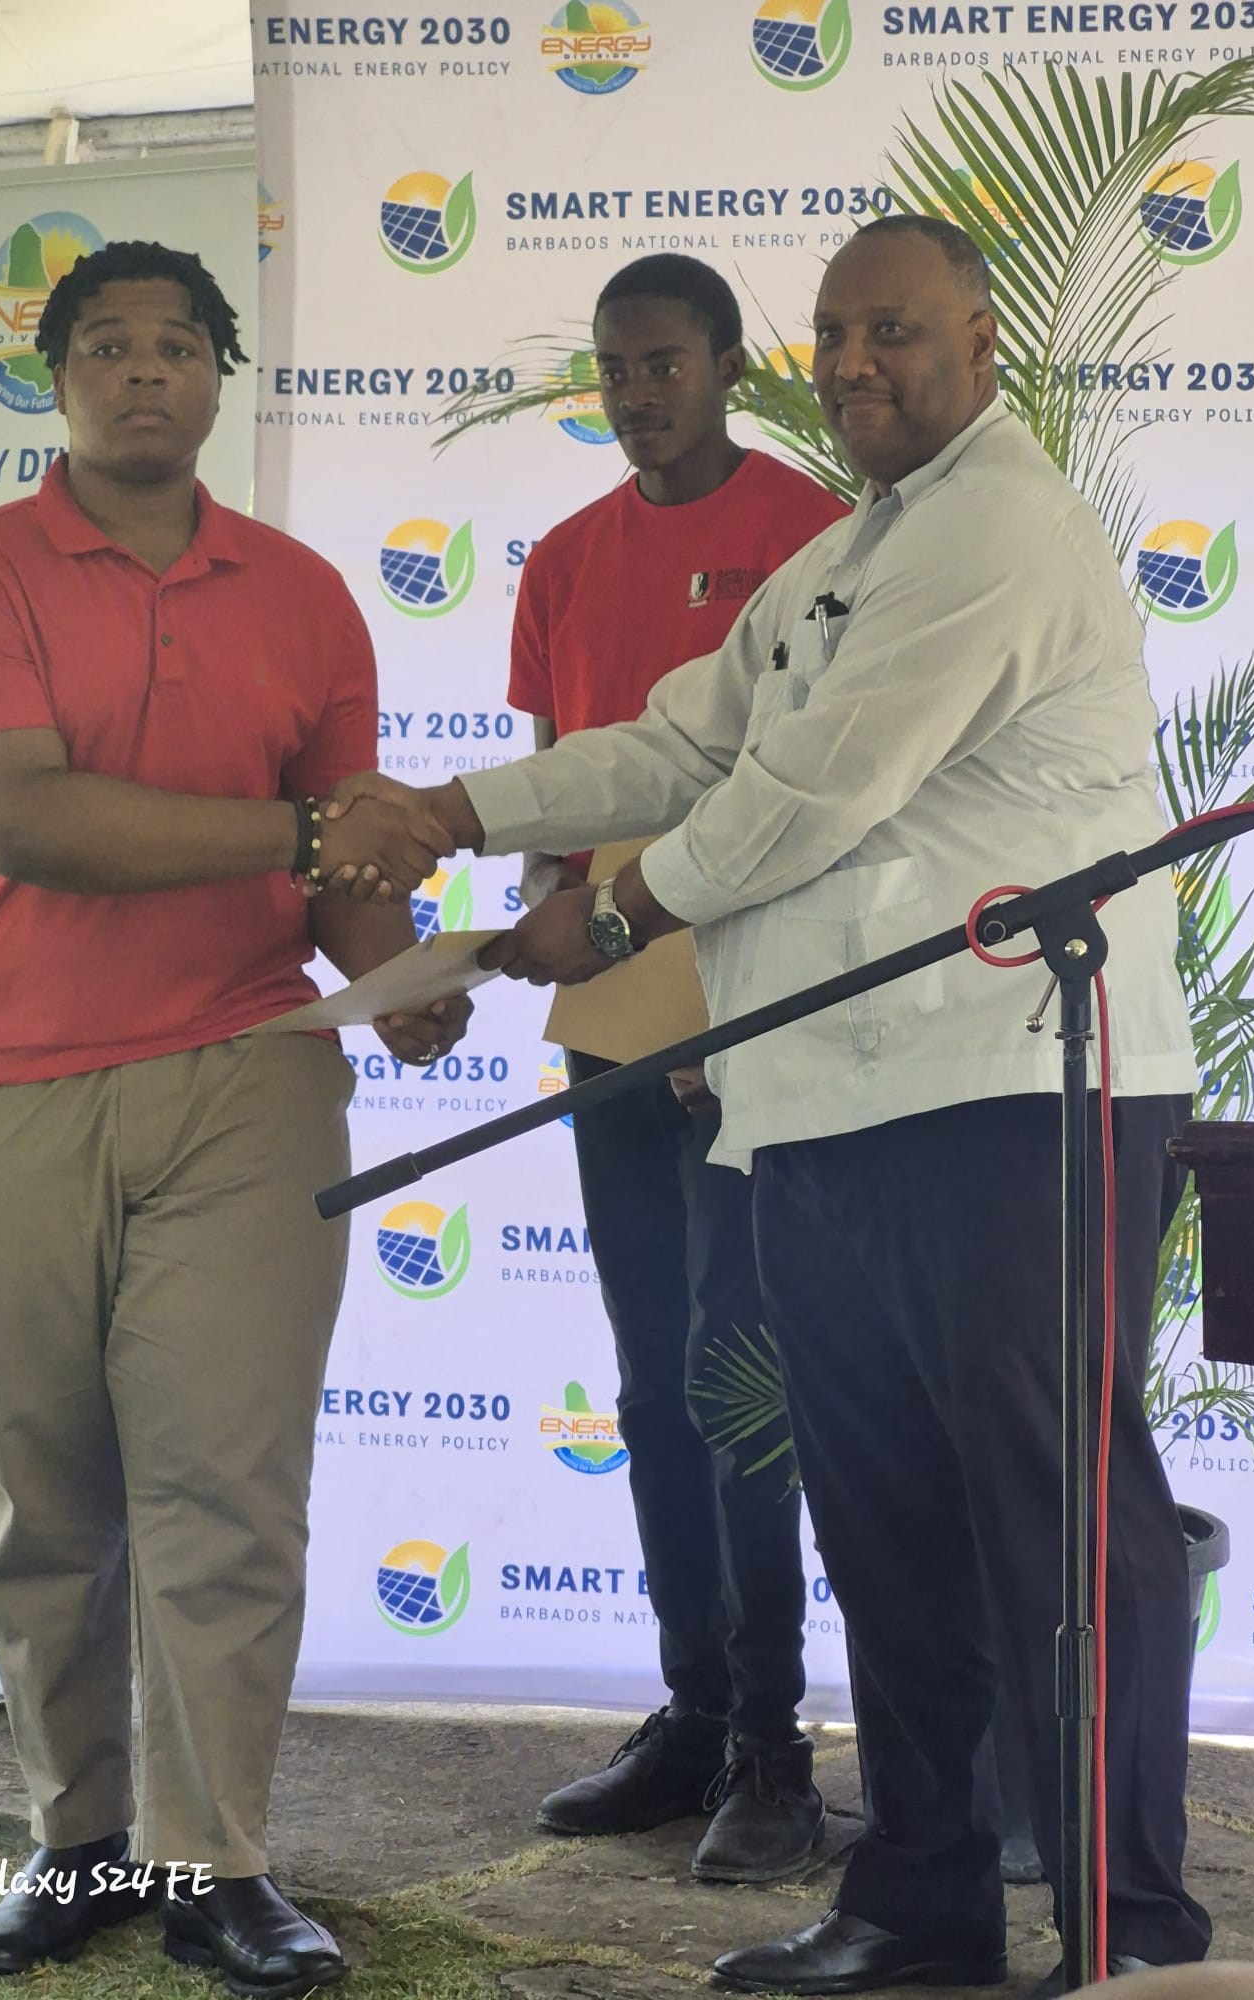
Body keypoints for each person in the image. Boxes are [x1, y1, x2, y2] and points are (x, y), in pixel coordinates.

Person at [350, 215, 1211, 1991]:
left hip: (1010, 1090)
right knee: (883, 1517)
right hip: (817, 1099)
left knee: (1055, 1515)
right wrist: (458, 809)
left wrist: (614, 914)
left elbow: (812, 790)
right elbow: (686, 741)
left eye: (895, 329)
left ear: (981, 344)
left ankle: (1132, 1939)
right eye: (836, 333)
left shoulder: (1000, 526)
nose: (858, 363)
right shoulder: (844, 554)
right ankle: (922, 1903)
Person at [0, 240, 464, 1994]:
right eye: (108, 345)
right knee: (47, 1498)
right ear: (57, 379)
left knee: (230, 1489)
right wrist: (308, 841)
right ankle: (77, 1846)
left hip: (246, 1075)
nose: (146, 370)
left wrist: (399, 969)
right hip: (0, 1083)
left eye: (178, 345)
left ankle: (216, 1862)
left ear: (222, 376)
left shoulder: (303, 594)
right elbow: (28, 823)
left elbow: (347, 855)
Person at [510, 255, 848, 1883]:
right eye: (616, 368)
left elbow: (815, 800)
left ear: (728, 366)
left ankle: (778, 1751)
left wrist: (726, 1012)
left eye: (665, 363)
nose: (639, 393)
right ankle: (696, 1716)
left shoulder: (812, 532)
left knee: (739, 1380)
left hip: (753, 1010)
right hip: (611, 1015)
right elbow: (562, 799)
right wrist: (519, 936)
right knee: (651, 1381)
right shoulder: (564, 559)